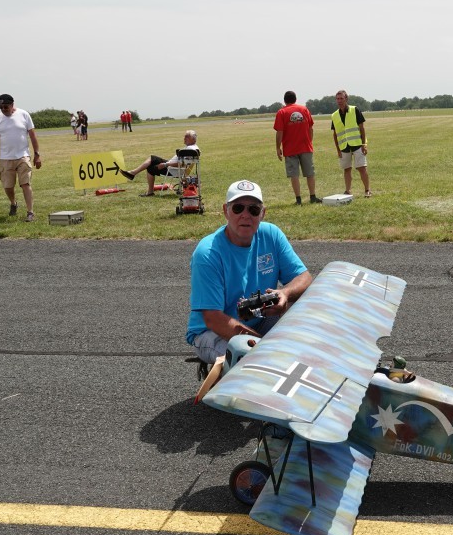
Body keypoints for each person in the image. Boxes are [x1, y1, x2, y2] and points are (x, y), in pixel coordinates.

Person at [186, 179, 312, 364]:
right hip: (212, 331)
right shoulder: (208, 253)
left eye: (253, 209)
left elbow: (305, 278)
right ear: (225, 211)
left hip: (258, 321)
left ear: (262, 213)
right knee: (253, 359)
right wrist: (261, 345)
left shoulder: (272, 235)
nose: (246, 215)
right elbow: (213, 319)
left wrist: (284, 293)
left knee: (309, 319)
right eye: (238, 208)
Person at [0, 93, 42, 222]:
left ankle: (30, 212)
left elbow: (33, 136)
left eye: (6, 107)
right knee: (8, 186)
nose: (3, 110)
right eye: (1, 107)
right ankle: (13, 203)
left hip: (23, 156)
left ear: (12, 105)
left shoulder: (24, 115)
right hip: (6, 158)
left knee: (25, 183)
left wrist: (37, 154)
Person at [274, 90, 321, 205]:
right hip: (306, 147)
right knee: (310, 173)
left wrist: (278, 147)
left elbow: (279, 132)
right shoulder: (304, 109)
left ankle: (298, 199)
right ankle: (313, 196)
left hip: (290, 149)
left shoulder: (282, 112)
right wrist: (309, 141)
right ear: (295, 99)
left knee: (294, 174)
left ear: (285, 101)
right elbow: (311, 127)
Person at [121, 130, 199, 196]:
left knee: (151, 162)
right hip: (174, 167)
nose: (184, 138)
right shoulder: (194, 148)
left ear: (193, 139)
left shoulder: (190, 150)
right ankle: (134, 175)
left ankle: (134, 175)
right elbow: (183, 163)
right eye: (185, 136)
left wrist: (165, 164)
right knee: (152, 161)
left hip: (173, 169)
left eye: (187, 137)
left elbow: (182, 164)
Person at [330, 89, 372, 197]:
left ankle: (367, 190)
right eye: (337, 99)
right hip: (344, 146)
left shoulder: (354, 110)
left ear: (346, 99)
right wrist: (338, 149)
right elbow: (335, 134)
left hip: (357, 144)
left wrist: (364, 144)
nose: (339, 101)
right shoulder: (334, 115)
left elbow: (362, 128)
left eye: (341, 98)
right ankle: (347, 191)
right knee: (347, 169)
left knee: (362, 168)